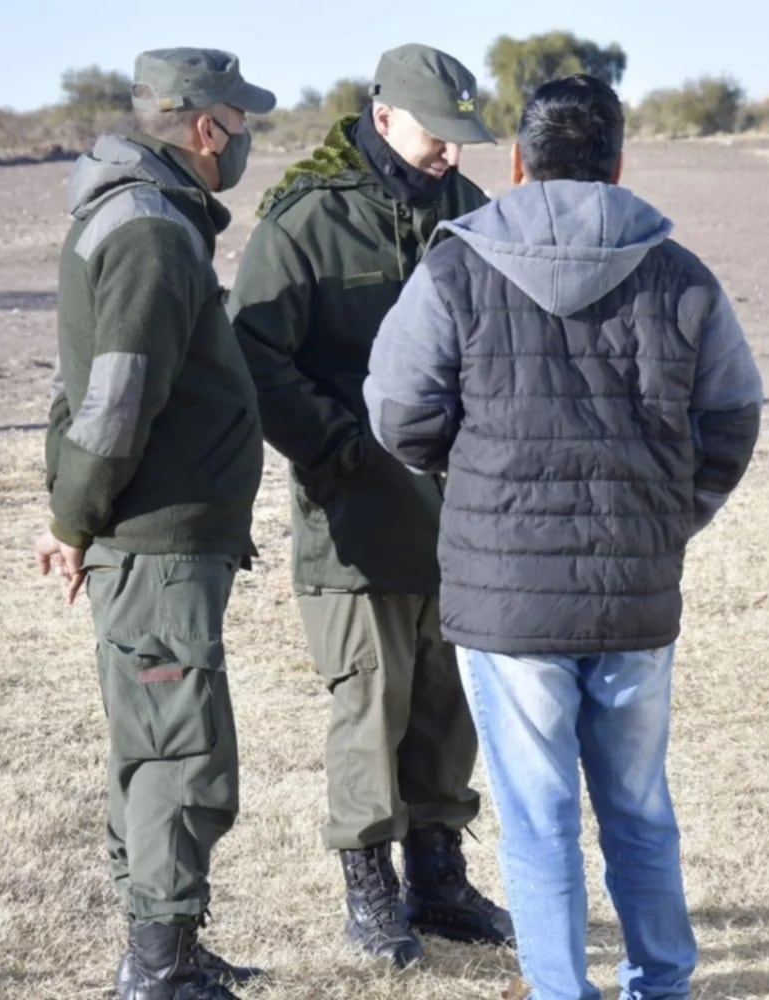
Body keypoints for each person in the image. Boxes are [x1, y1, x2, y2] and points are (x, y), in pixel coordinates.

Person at [363, 74, 764, 1000]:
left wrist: (466, 477)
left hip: (508, 603)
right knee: (638, 805)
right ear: (619, 163)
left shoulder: (455, 267)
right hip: (635, 591)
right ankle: (661, 981)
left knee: (536, 817)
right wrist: (670, 517)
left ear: (516, 163)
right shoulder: (681, 274)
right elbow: (732, 419)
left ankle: (560, 988)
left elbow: (396, 411)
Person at [227, 43, 512, 967]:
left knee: (448, 701)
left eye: (465, 139)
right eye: (440, 136)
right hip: (354, 517)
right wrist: (340, 451)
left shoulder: (472, 215)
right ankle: (370, 890)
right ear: (384, 116)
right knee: (371, 705)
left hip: (463, 515)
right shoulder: (305, 221)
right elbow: (257, 359)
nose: (452, 155)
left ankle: (439, 879)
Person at [35, 47, 274, 1000]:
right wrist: (73, 518)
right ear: (207, 128)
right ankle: (160, 966)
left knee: (152, 736)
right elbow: (114, 402)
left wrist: (73, 517)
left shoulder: (148, 216)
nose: (249, 136)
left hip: (154, 535)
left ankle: (164, 944)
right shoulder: (151, 232)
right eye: (243, 120)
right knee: (179, 743)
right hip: (158, 538)